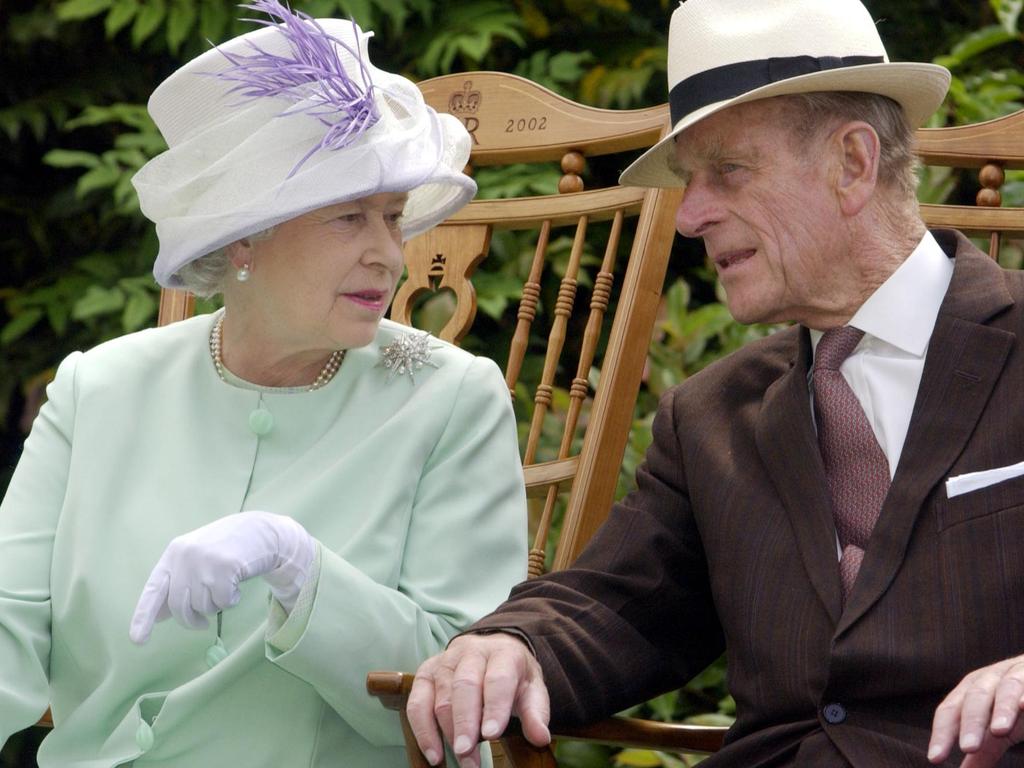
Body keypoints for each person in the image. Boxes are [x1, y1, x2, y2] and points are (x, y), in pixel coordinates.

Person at [405, 0, 1024, 766]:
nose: (691, 214)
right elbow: (620, 606)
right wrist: (506, 645)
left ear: (853, 164)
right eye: (689, 180)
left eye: (727, 171)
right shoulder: (710, 417)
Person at [0, 2, 527, 766]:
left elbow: (453, 690)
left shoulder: (452, 399)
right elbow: (9, 622)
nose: (391, 255)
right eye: (350, 219)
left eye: (391, 217)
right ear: (242, 238)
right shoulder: (98, 389)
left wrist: (301, 568)